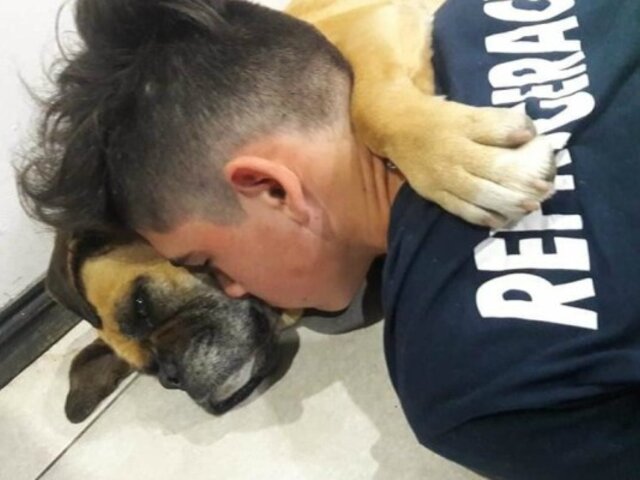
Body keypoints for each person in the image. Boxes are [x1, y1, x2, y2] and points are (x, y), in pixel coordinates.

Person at [17, 0, 640, 478]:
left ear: (271, 187)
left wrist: (391, 115)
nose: (231, 288)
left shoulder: (474, 388)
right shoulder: (479, 15)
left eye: (203, 262)